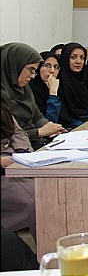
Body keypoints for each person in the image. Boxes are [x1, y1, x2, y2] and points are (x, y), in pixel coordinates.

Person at [1, 42, 66, 150]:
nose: (32, 76)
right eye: (30, 69)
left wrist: (52, 127)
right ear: (14, 66)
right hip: (15, 150)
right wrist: (39, 132)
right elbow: (10, 135)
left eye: (34, 71)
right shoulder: (3, 94)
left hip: (34, 143)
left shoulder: (24, 89)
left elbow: (37, 116)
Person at [1, 96, 36, 240]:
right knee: (37, 200)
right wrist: (3, 161)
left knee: (52, 187)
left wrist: (22, 153)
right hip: (4, 167)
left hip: (15, 159)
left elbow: (17, 131)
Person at [30, 51, 82, 129]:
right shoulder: (31, 91)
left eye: (56, 67)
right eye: (47, 66)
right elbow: (50, 123)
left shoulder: (60, 86)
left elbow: (67, 118)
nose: (52, 71)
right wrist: (53, 94)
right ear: (38, 68)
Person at [57, 42, 88, 123]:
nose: (78, 61)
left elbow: (86, 104)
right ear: (65, 58)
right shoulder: (60, 80)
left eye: (82, 58)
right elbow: (69, 112)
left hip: (84, 119)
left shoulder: (83, 78)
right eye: (73, 57)